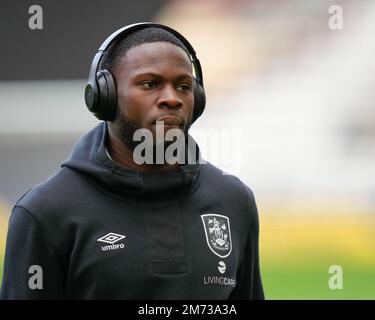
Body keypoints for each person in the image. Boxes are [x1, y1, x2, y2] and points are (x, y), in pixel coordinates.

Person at [0, 22, 264, 299]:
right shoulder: (45, 212)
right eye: (150, 84)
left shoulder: (233, 200)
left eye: (183, 86)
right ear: (106, 96)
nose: (171, 99)